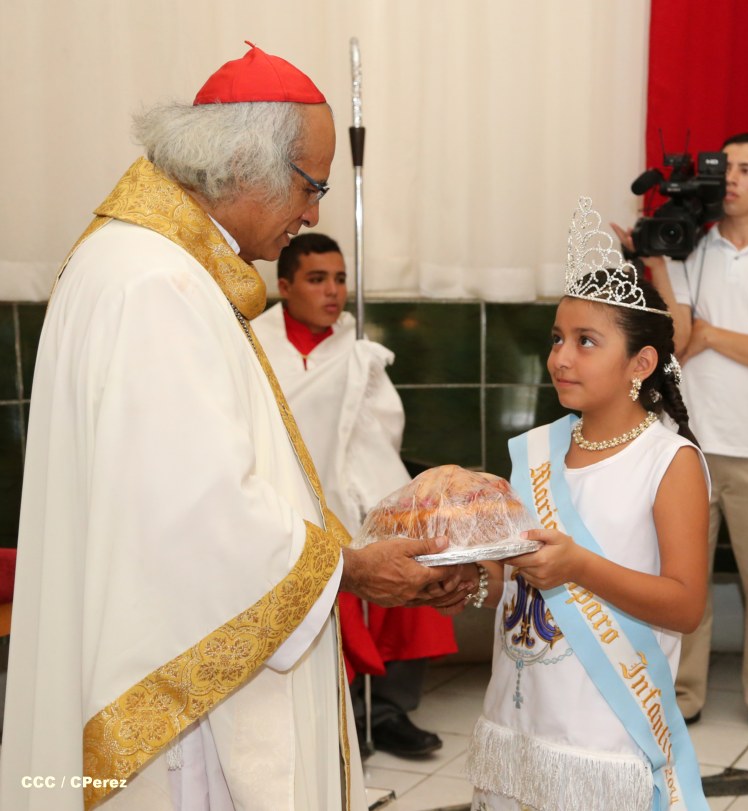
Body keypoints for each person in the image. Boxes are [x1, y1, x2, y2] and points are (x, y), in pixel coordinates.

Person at [0, 45, 464, 810]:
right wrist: (350, 568)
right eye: (311, 185)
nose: (313, 214)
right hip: (184, 711)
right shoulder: (156, 282)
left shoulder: (146, 262)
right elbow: (196, 512)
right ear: (247, 165)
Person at [459, 198, 711, 810]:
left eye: (586, 341)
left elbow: (685, 606)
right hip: (519, 718)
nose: (561, 357)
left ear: (641, 363)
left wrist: (578, 566)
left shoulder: (668, 461)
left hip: (604, 729)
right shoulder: (535, 451)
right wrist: (471, 578)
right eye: (557, 339)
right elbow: (518, 578)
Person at [614, 133, 748, 745]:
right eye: (725, 167)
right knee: (684, 584)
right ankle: (684, 694)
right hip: (686, 449)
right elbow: (676, 343)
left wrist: (713, 335)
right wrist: (657, 264)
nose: (732, 178)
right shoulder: (688, 251)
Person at [253, 233, 457, 759]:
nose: (333, 292)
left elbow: (383, 431)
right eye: (317, 279)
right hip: (285, 497)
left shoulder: (357, 349)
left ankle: (387, 711)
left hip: (355, 489)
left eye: (340, 279)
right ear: (284, 286)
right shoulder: (255, 346)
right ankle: (337, 714)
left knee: (412, 560)